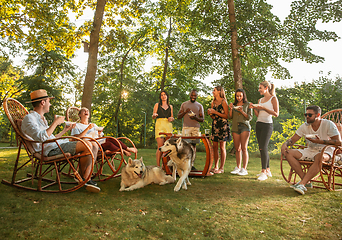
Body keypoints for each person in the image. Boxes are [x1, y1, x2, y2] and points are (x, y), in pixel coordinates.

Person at [21, 89, 100, 193]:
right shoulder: (30, 119)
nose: (50, 104)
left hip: (55, 145)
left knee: (94, 144)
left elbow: (50, 138)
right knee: (87, 144)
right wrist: (55, 123)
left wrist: (64, 130)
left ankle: (85, 178)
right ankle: (85, 179)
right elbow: (41, 138)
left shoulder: (41, 119)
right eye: (49, 101)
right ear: (42, 102)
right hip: (49, 150)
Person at [281, 105, 341, 195]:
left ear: (318, 115)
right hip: (310, 150)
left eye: (310, 115)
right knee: (289, 153)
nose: (307, 117)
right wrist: (284, 144)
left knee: (319, 156)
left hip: (327, 151)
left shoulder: (328, 124)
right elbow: (293, 140)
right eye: (306, 114)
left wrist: (320, 141)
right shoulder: (305, 126)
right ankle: (306, 182)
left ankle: (302, 183)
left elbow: (338, 142)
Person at [70, 107, 138, 157]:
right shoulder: (77, 126)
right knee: (109, 144)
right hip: (91, 146)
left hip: (99, 142)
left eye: (87, 110)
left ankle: (127, 149)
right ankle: (123, 151)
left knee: (112, 139)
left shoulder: (94, 125)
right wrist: (87, 128)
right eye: (84, 111)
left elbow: (100, 137)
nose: (86, 111)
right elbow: (75, 138)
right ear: (79, 115)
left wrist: (99, 134)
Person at [250, 81, 279, 181]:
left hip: (267, 125)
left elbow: (276, 114)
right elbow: (258, 114)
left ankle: (264, 172)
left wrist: (263, 108)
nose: (259, 90)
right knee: (261, 147)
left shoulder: (273, 98)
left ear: (266, 88)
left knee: (263, 147)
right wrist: (254, 108)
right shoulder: (260, 99)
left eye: (260, 88)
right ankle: (267, 169)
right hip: (259, 124)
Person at [177, 89, 204, 170]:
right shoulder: (184, 104)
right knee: (185, 146)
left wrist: (195, 117)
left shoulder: (199, 106)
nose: (193, 97)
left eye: (195, 95)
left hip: (195, 128)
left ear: (197, 96)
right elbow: (178, 116)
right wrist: (185, 112)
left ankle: (191, 165)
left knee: (193, 146)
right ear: (189, 95)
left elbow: (202, 119)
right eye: (192, 95)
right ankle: (184, 164)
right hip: (186, 128)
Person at [228, 89, 253, 176]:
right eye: (237, 96)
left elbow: (249, 118)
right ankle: (238, 167)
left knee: (244, 148)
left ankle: (244, 169)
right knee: (237, 148)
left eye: (240, 96)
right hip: (235, 127)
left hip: (244, 127)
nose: (238, 98)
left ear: (243, 96)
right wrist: (231, 109)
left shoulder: (248, 104)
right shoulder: (234, 105)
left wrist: (242, 111)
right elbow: (230, 117)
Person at [207, 86, 230, 174]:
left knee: (222, 147)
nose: (213, 92)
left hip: (223, 126)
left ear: (219, 91)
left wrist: (215, 112)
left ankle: (221, 167)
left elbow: (227, 116)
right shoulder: (213, 102)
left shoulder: (224, 102)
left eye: (214, 90)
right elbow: (213, 117)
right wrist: (210, 114)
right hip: (215, 125)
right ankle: (216, 166)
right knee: (215, 147)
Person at [152, 90, 174, 166]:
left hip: (168, 126)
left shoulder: (170, 106)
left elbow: (172, 117)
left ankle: (165, 166)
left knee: (168, 147)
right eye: (162, 95)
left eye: (165, 95)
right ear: (160, 97)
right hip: (159, 125)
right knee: (160, 147)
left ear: (167, 96)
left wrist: (171, 119)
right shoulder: (157, 105)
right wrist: (154, 115)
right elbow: (153, 116)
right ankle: (158, 166)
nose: (163, 96)